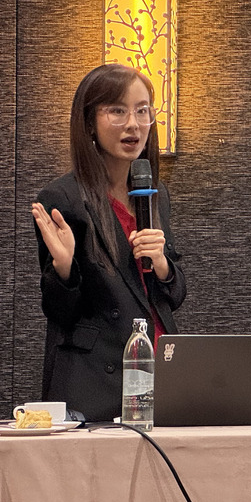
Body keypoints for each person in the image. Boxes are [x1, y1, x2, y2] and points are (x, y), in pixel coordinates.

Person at [31, 64, 186, 421]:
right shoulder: (64, 198)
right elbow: (60, 312)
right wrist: (64, 269)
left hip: (158, 368)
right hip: (96, 381)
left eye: (142, 110)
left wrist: (163, 266)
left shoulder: (155, 193)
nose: (133, 124)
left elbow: (173, 297)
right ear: (89, 122)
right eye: (117, 111)